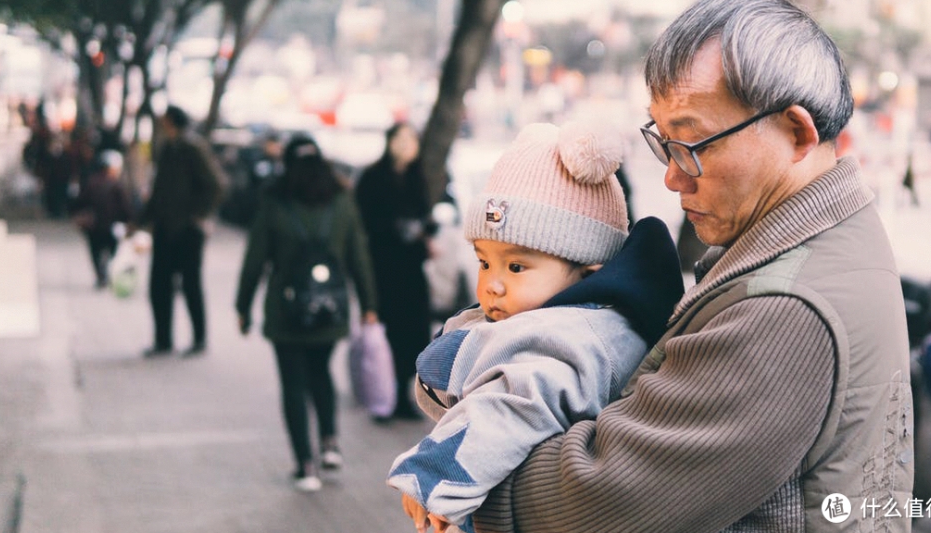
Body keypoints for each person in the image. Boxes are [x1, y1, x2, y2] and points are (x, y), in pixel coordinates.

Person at [471, 1, 914, 532]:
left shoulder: (784, 310)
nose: (673, 179)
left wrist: (461, 473)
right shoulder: (837, 237)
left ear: (795, 132)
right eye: (664, 144)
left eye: (690, 145)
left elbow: (602, 502)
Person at [387, 122, 685, 533]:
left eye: (516, 266)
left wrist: (431, 475)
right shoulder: (554, 318)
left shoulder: (574, 338)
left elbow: (515, 403)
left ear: (586, 270)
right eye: (484, 261)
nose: (492, 282)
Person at [234, 135, 379, 492]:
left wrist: (242, 306)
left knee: (293, 384)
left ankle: (306, 465)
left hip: (286, 311)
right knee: (321, 374)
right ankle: (329, 442)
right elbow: (359, 255)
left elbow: (255, 259)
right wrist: (369, 304)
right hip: (331, 310)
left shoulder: (275, 201)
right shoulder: (342, 200)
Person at [355, 122, 437, 420]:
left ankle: (404, 393)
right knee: (385, 331)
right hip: (384, 267)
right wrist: (396, 227)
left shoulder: (418, 178)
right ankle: (381, 394)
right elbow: (363, 220)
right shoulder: (374, 178)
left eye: (411, 139)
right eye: (401, 139)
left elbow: (428, 215)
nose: (406, 145)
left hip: (412, 269)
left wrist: (422, 231)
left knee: (413, 333)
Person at [138, 105, 225, 357]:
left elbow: (216, 185)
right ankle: (163, 339)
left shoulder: (192, 148)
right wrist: (142, 220)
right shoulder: (168, 149)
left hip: (187, 229)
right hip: (165, 228)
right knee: (159, 287)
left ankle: (199, 338)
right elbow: (159, 191)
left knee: (191, 285)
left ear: (171, 121)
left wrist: (198, 214)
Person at [70, 150, 134, 288]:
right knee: (112, 250)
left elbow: (80, 202)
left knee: (95, 252)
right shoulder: (117, 185)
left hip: (94, 226)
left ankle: (101, 275)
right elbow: (125, 207)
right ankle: (106, 272)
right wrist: (130, 221)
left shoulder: (91, 183)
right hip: (111, 226)